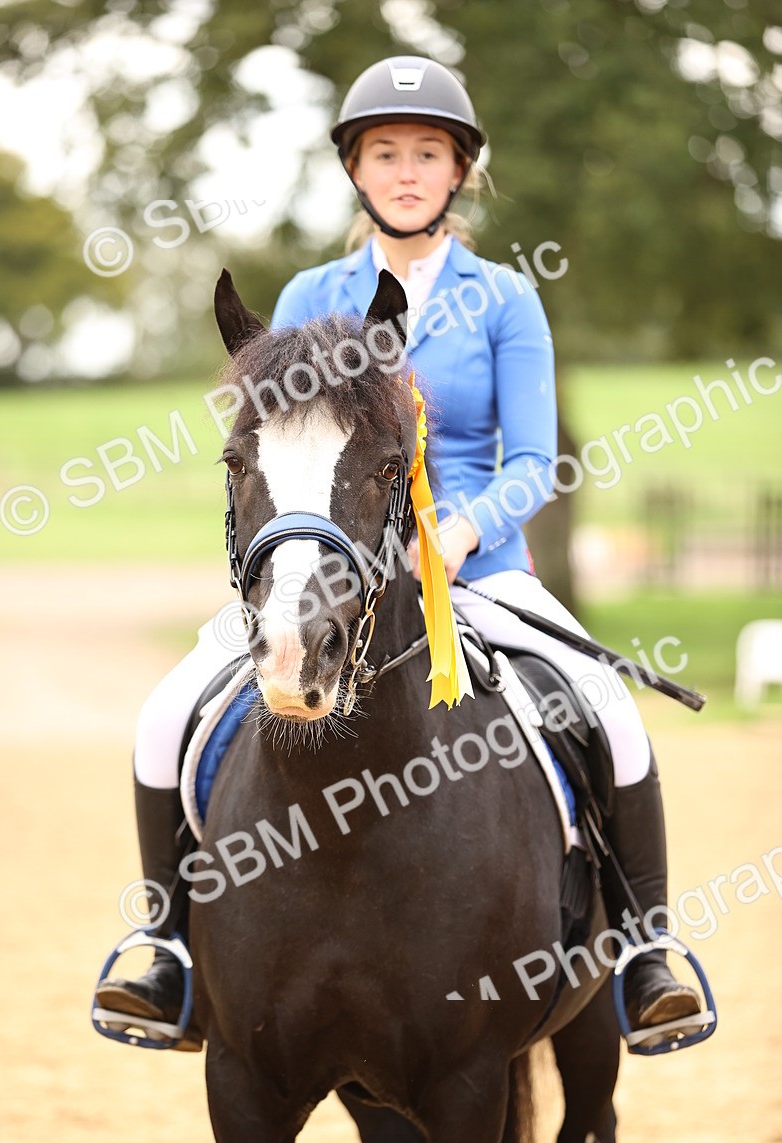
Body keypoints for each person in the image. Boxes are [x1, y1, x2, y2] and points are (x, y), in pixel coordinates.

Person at [96, 55, 702, 1047]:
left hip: (480, 562)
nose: (407, 171)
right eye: (386, 153)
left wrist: (458, 531)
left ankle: (645, 953)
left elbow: (533, 457)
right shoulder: (305, 293)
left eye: (428, 153)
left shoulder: (504, 299)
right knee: (167, 714)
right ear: (355, 169)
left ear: (459, 171)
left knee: (609, 711)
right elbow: (281, 445)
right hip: (332, 566)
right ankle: (168, 951)